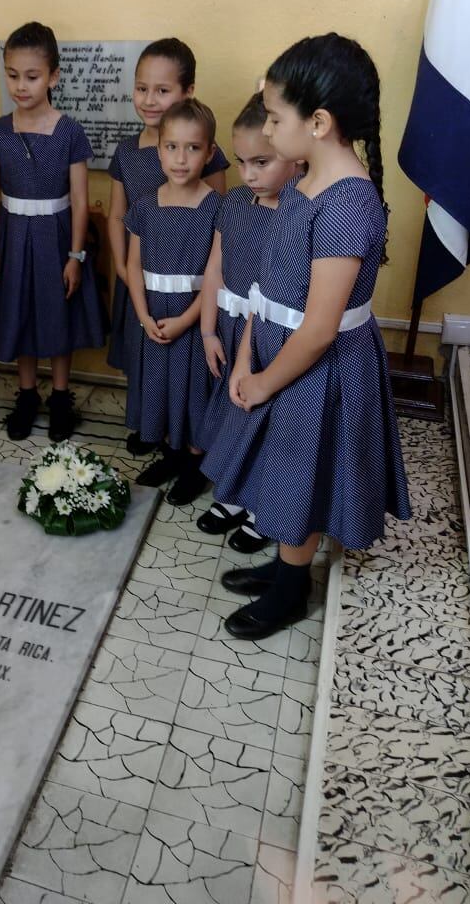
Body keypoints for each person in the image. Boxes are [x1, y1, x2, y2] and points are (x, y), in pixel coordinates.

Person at [210, 33, 410, 640]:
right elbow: (269, 284)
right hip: (276, 353)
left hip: (316, 370)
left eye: (275, 118)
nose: (267, 132)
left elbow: (321, 328)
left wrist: (266, 379)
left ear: (318, 122)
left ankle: (292, 592)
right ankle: (285, 566)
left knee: (302, 474)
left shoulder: (349, 205)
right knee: (281, 472)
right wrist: (247, 351)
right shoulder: (299, 182)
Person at [0, 22, 105, 442]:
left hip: (57, 237)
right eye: (12, 75)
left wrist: (76, 256)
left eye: (31, 76)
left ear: (53, 76)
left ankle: (61, 397)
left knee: (57, 316)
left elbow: (80, 197)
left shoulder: (69, 131)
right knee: (21, 313)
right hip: (14, 238)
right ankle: (28, 393)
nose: (21, 85)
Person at [107, 39, 228, 455]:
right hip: (144, 279)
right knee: (148, 365)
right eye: (143, 88)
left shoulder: (207, 165)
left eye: (163, 90)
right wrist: (125, 272)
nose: (150, 99)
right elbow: (117, 217)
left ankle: (189, 450)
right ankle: (152, 429)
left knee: (190, 375)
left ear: (187, 91)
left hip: (193, 291)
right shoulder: (129, 155)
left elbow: (217, 236)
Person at [197, 93, 302, 550]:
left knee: (269, 420)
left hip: (275, 335)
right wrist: (205, 330)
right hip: (231, 326)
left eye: (262, 161)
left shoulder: (302, 211)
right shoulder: (235, 203)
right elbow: (215, 269)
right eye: (241, 162)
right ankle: (238, 495)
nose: (249, 175)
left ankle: (264, 506)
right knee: (233, 414)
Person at [124, 98, 222, 506]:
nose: (181, 158)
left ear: (209, 152)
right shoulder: (145, 206)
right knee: (160, 388)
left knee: (194, 391)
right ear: (158, 148)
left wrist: (186, 322)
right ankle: (169, 454)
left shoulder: (218, 208)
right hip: (153, 318)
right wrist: (144, 315)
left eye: (193, 148)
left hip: (193, 319)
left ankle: (195, 466)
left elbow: (218, 278)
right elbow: (133, 265)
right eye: (172, 147)